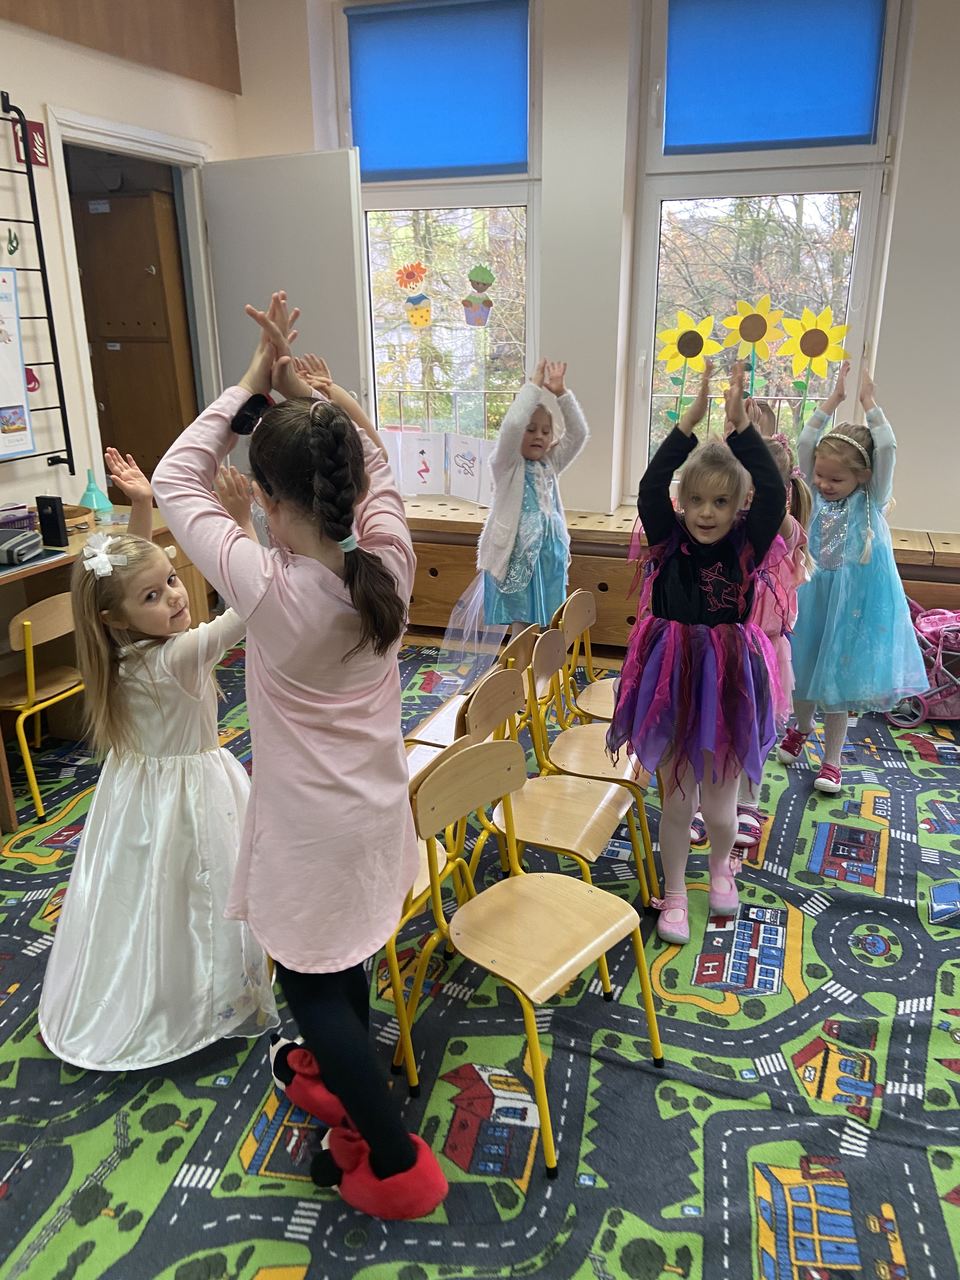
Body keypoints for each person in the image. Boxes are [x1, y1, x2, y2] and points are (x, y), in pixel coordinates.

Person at [151, 291, 448, 1221]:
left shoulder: (268, 589)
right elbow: (379, 461)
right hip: (374, 816)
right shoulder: (388, 558)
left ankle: (395, 1161)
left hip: (309, 837)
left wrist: (253, 380)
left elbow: (174, 478)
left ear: (274, 507)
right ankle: (343, 1091)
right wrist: (319, 401)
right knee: (342, 957)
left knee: (312, 987)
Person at [38, 451, 277, 1071]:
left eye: (172, 580)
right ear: (117, 617)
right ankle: (206, 992)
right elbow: (253, 602)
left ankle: (155, 978)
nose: (173, 597)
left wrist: (141, 507)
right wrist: (242, 524)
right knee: (202, 883)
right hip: (192, 792)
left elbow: (123, 580)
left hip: (135, 794)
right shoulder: (178, 656)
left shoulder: (116, 649)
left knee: (149, 890)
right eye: (156, 595)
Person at [607, 361, 786, 944]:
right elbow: (650, 485)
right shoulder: (667, 537)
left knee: (722, 803)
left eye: (721, 502)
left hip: (729, 677)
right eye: (698, 500)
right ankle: (677, 891)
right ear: (682, 501)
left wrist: (741, 429)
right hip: (673, 677)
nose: (707, 513)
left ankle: (721, 871)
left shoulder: (748, 542)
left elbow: (776, 493)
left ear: (740, 505)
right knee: (679, 801)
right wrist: (688, 423)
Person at [777, 362, 927, 792]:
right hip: (813, 593)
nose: (824, 484)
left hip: (853, 604)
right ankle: (801, 727)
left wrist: (869, 403)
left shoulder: (871, 498)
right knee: (803, 666)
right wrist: (834, 400)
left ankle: (832, 760)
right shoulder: (814, 494)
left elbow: (888, 447)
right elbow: (806, 441)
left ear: (863, 476)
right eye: (819, 475)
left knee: (837, 682)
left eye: (835, 478)